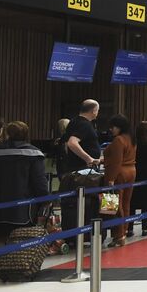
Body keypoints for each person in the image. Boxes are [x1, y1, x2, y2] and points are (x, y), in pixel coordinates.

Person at [59, 100, 102, 236]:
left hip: (74, 169)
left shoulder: (73, 122)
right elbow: (72, 143)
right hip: (85, 172)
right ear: (93, 111)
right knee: (97, 199)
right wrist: (88, 158)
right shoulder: (84, 125)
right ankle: (100, 231)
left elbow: (66, 144)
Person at [101, 115, 136, 246]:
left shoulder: (118, 140)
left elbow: (116, 161)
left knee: (114, 205)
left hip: (118, 173)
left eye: (113, 127)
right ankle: (123, 232)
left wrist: (111, 179)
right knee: (126, 203)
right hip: (131, 171)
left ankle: (118, 235)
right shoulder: (131, 139)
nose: (111, 129)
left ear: (119, 127)